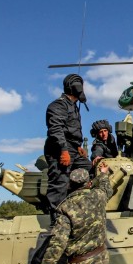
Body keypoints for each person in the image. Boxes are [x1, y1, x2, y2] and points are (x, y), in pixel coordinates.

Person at [44, 73, 93, 222]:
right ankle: (57, 222)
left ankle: (76, 207)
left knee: (89, 168)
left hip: (72, 148)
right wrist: (64, 150)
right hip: (58, 148)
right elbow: (56, 129)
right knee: (59, 183)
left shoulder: (73, 107)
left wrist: (77, 146)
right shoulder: (59, 105)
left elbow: (71, 131)